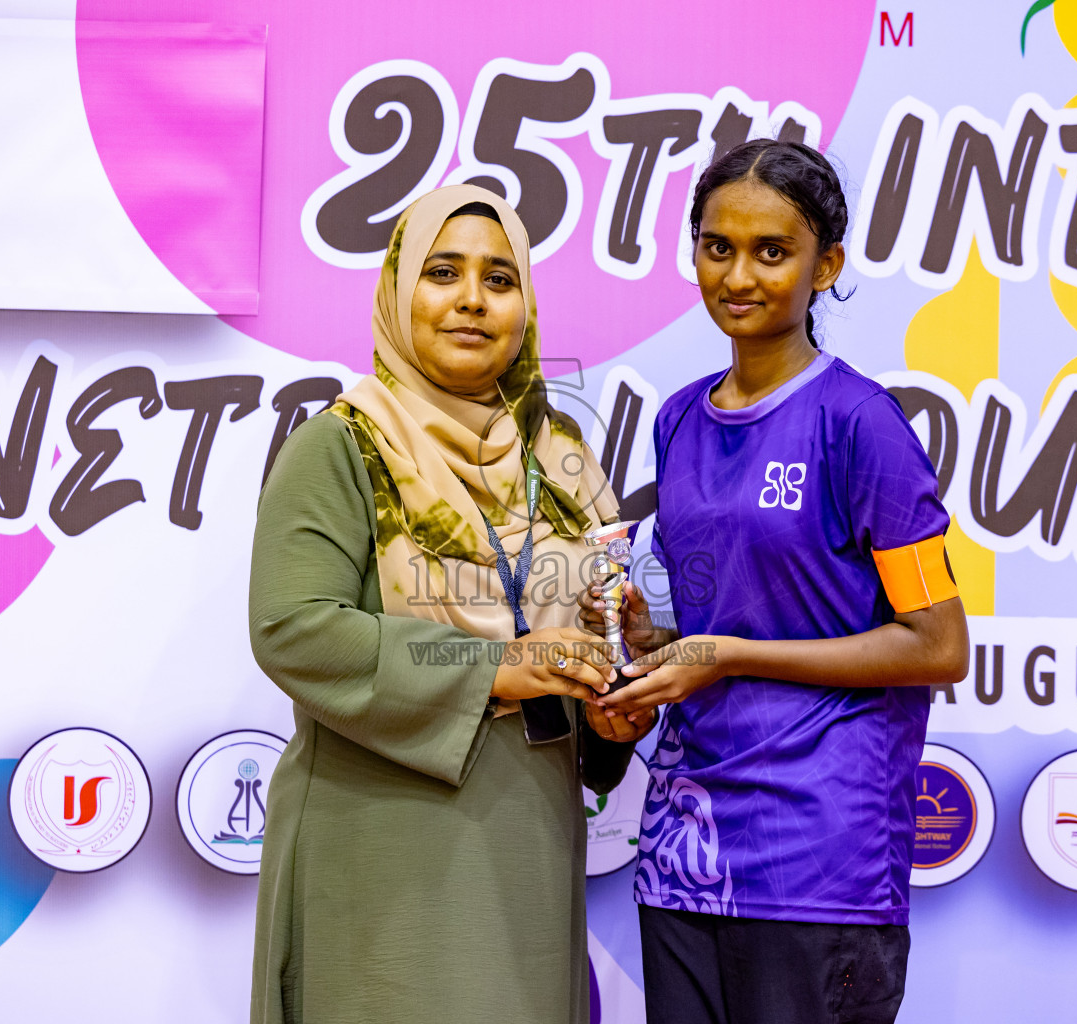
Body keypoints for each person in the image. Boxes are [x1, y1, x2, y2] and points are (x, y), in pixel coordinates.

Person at [584, 139, 970, 1024]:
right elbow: (715, 620)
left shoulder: (861, 423)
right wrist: (643, 647)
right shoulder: (679, 418)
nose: (740, 274)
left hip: (817, 858)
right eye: (718, 246)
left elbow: (938, 646)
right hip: (687, 853)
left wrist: (725, 654)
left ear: (826, 264)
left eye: (773, 250)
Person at [248, 184, 655, 1024]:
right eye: (443, 272)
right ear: (401, 291)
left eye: (499, 279)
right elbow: (294, 630)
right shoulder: (343, 444)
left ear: (526, 307)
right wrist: (501, 668)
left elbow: (588, 630)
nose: (472, 299)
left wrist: (612, 708)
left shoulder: (563, 458)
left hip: (531, 835)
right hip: (385, 840)